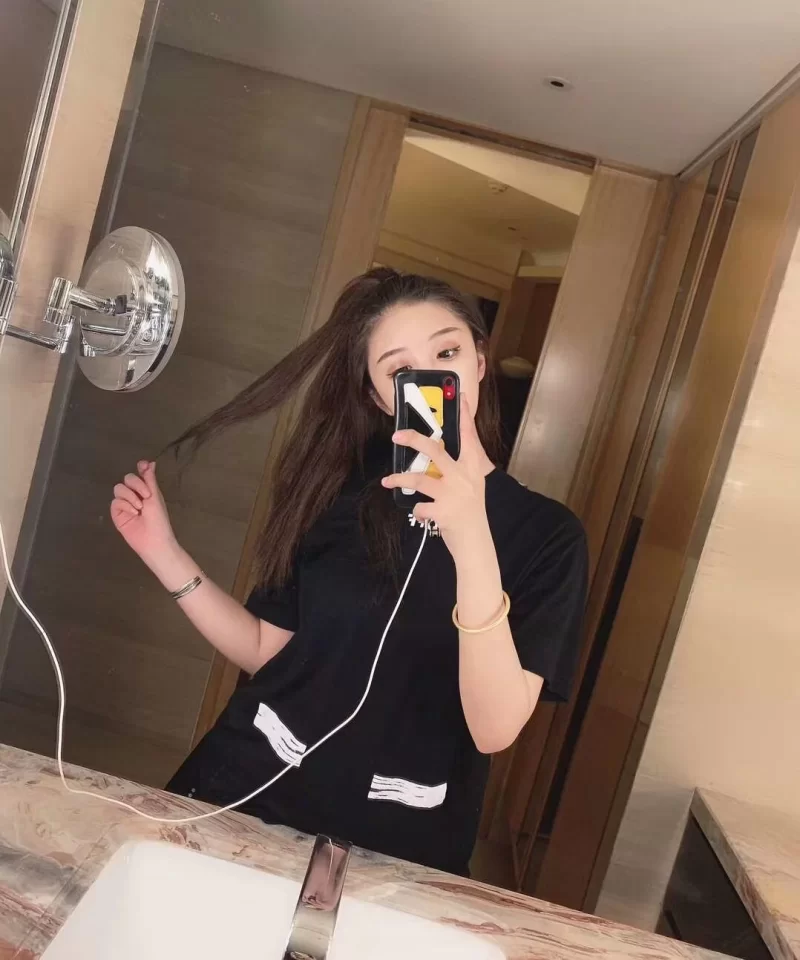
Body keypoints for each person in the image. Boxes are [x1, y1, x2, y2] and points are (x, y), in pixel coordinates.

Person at [110, 268, 588, 876]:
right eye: (400, 369)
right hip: (243, 793)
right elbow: (265, 649)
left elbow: (494, 728)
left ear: (479, 362)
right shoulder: (339, 487)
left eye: (446, 353)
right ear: (379, 397)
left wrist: (470, 534)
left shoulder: (549, 536)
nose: (431, 379)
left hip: (396, 848)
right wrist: (163, 552)